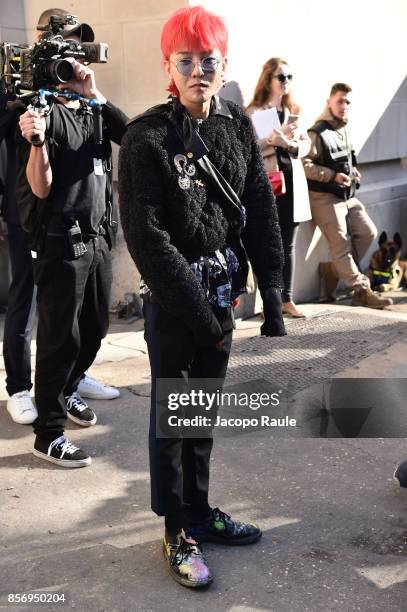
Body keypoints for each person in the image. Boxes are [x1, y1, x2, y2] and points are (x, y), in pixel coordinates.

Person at [119, 5, 285, 589]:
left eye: (207, 61)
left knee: (202, 415)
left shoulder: (236, 124)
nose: (196, 71)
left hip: (223, 299)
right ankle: (174, 530)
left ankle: (200, 512)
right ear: (168, 64)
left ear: (223, 65)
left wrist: (271, 289)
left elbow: (259, 209)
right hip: (174, 303)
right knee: (172, 418)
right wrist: (201, 313)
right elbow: (147, 237)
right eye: (184, 60)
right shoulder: (146, 138)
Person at [16, 10, 128, 466]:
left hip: (99, 238)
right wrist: (38, 142)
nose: (73, 58)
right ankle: (48, 433)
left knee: (96, 331)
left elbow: (134, 137)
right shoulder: (42, 113)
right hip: (62, 241)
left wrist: (94, 95)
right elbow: (40, 187)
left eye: (78, 49)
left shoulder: (92, 110)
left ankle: (64, 391)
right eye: (64, 48)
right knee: (60, 339)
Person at [302, 83, 392, 309]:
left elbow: (348, 159)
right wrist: (332, 176)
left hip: (347, 195)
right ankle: (361, 290)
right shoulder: (317, 132)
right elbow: (305, 165)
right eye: (340, 101)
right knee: (341, 243)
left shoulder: (344, 129)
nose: (344, 106)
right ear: (329, 102)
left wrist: (354, 172)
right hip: (323, 197)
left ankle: (331, 271)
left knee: (368, 232)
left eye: (347, 102)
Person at [247, 57, 312, 318]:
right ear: (268, 80)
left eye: (289, 78)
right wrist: (273, 141)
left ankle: (287, 299)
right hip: (269, 184)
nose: (286, 82)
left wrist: (290, 143)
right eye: (281, 77)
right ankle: (269, 302)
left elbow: (309, 146)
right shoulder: (255, 111)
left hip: (293, 185)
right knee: (266, 244)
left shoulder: (294, 110)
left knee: (288, 244)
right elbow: (248, 149)